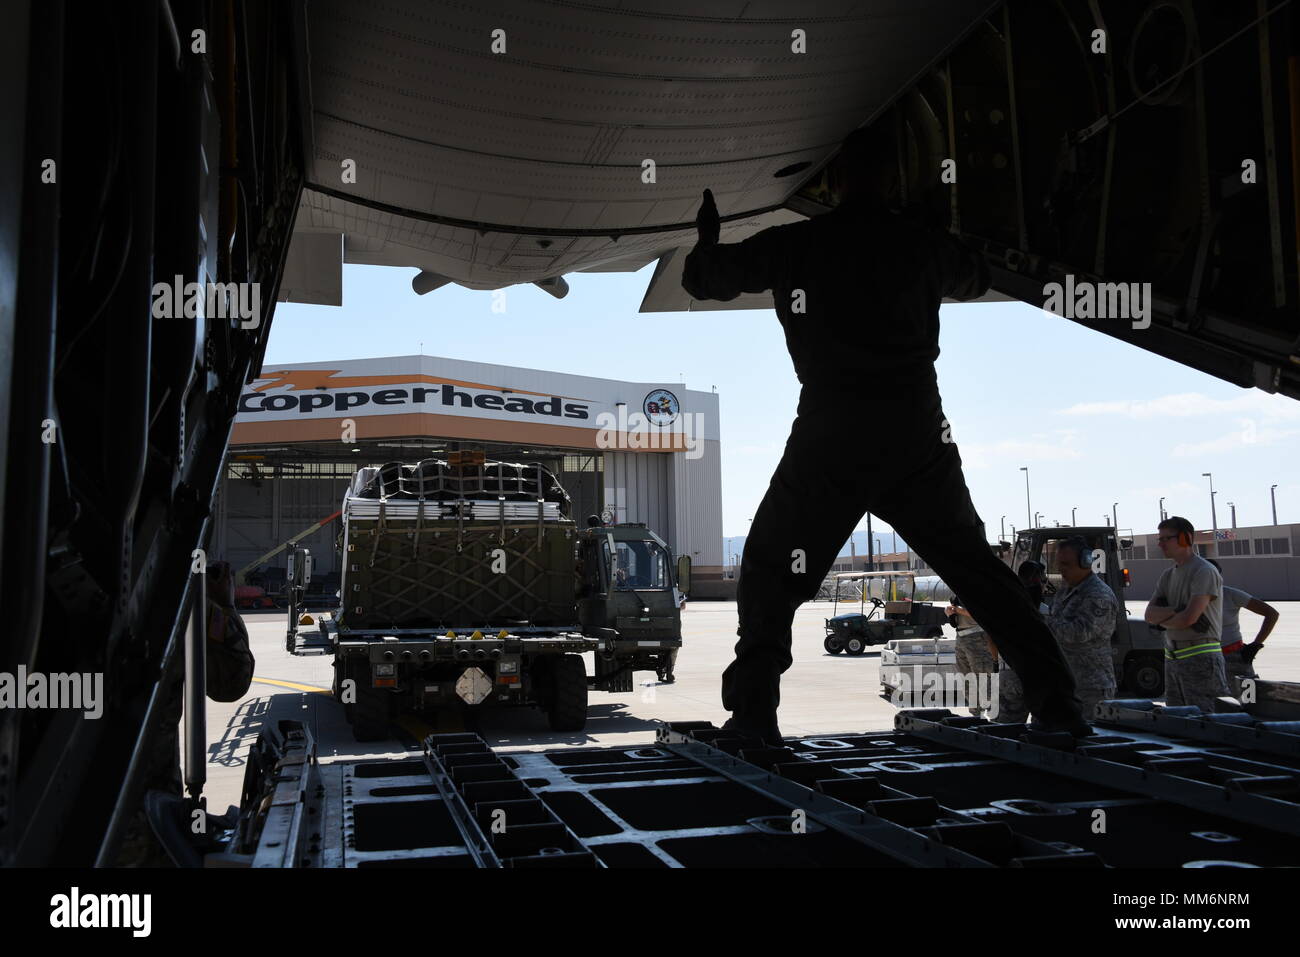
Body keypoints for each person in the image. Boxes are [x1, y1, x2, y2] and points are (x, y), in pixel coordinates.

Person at [680, 123, 1087, 744]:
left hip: (831, 429)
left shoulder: (796, 243)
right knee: (979, 572)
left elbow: (703, 281)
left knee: (769, 571)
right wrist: (937, 224)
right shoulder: (920, 245)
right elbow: (977, 276)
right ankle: (1058, 706)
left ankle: (755, 718)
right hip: (915, 430)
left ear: (836, 181)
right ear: (895, 179)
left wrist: (707, 241)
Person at [1144, 516, 1227, 712]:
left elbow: (1189, 619)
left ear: (1186, 538)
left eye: (1166, 538)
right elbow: (1149, 615)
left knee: (1205, 720)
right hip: (1172, 658)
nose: (1161, 544)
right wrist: (1177, 610)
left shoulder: (1203, 571)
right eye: (1160, 539)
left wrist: (1163, 618)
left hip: (1201, 659)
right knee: (1178, 721)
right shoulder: (1168, 575)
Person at [1043, 536, 1119, 719]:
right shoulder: (1065, 590)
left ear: (1086, 562)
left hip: (1091, 688)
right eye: (1058, 564)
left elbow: (1079, 632)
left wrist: (1041, 622)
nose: (1060, 569)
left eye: (1066, 564)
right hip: (1065, 683)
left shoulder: (1098, 594)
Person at [1206, 559, 1279, 683]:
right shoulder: (1185, 597)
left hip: (1233, 657)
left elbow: (1271, 614)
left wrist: (1255, 645)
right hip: (1202, 659)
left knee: (1248, 699)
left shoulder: (1230, 594)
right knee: (1208, 700)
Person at [945, 594, 996, 716]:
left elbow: (979, 614)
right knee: (967, 678)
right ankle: (976, 713)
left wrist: (957, 610)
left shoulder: (974, 593)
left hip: (977, 637)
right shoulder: (955, 596)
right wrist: (950, 613)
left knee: (982, 676)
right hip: (961, 638)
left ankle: (991, 713)